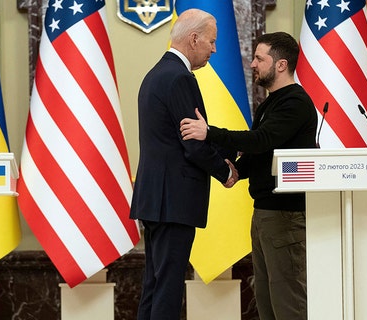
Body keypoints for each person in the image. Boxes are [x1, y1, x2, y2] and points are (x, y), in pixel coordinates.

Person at [179, 32, 317, 320]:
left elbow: (262, 140)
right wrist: (234, 172)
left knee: (287, 301)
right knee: (267, 299)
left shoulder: (296, 102)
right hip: (267, 213)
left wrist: (209, 133)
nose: (252, 64)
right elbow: (262, 155)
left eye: (259, 58)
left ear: (280, 65)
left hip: (285, 215)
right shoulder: (273, 101)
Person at [129, 8, 238, 320]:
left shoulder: (156, 74)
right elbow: (192, 145)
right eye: (212, 42)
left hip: (156, 200)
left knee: (155, 284)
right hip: (172, 202)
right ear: (194, 39)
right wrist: (225, 170)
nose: (214, 49)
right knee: (168, 287)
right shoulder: (179, 79)